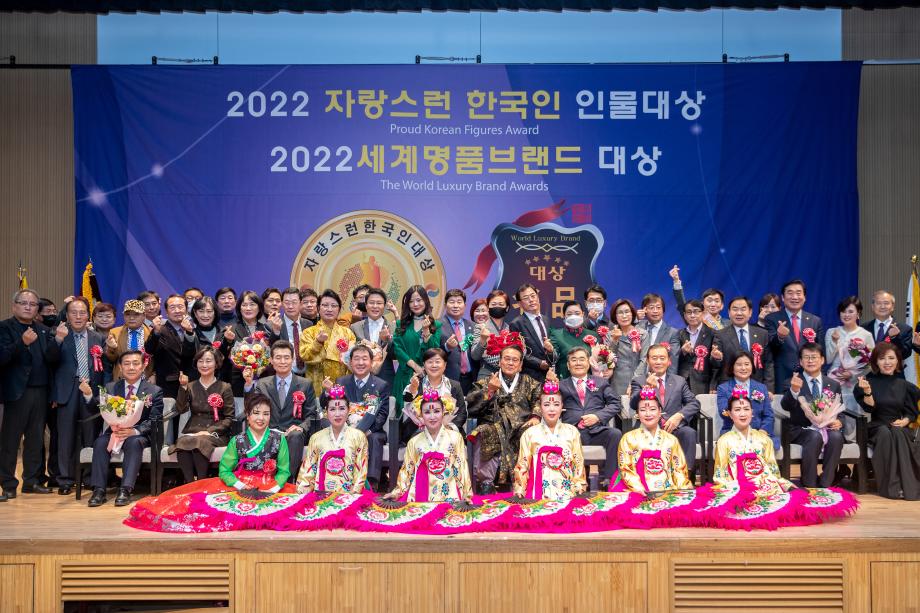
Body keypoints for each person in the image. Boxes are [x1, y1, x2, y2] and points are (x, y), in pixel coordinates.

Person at [124, 393, 297, 533]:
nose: (261, 418)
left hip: (269, 485)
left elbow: (284, 470)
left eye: (266, 414)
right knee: (207, 512)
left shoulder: (278, 438)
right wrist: (239, 485)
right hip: (241, 485)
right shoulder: (237, 440)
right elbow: (225, 470)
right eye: (256, 413)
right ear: (248, 415)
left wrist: (274, 488)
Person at [0, 290, 63, 500]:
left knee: (36, 440)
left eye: (33, 304)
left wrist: (58, 341)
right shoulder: (4, 327)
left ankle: (32, 481)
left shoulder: (43, 330)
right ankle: (8, 484)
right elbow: (2, 357)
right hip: (16, 393)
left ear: (37, 309)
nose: (28, 307)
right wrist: (22, 343)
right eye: (23, 303)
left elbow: (51, 362)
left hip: (42, 391)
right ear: (14, 306)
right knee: (10, 441)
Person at [87, 350, 164, 507]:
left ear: (143, 366)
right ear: (120, 367)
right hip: (115, 431)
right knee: (100, 442)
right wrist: (88, 395)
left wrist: (135, 431)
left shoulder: (154, 391)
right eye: (127, 364)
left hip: (139, 435)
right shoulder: (110, 388)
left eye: (135, 363)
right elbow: (97, 408)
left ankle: (125, 489)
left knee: (133, 442)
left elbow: (155, 419)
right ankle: (99, 490)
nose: (131, 367)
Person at [466, 341, 541, 494]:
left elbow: (539, 400)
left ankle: (524, 482)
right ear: (500, 362)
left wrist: (535, 416)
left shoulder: (530, 383)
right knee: (482, 431)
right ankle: (485, 484)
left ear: (521, 365)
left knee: (531, 431)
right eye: (507, 359)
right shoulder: (485, 382)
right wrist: (489, 391)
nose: (510, 363)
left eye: (515, 360)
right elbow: (472, 407)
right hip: (493, 426)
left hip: (520, 428)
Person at [49, 297, 107, 495]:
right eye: (74, 312)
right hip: (67, 389)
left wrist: (101, 392)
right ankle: (65, 480)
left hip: (90, 389)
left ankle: (90, 477)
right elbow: (49, 360)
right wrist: (58, 340)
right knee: (65, 436)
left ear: (88, 315)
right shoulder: (58, 333)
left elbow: (104, 368)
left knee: (91, 434)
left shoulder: (97, 337)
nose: (78, 316)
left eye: (82, 312)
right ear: (67, 315)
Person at [854, 342, 920, 500]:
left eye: (891, 358)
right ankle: (891, 488)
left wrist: (905, 421)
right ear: (876, 361)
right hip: (877, 426)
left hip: (897, 425)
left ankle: (907, 486)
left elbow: (911, 412)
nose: (887, 362)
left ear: (898, 361)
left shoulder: (905, 386)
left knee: (897, 433)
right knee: (885, 433)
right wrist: (868, 392)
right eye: (882, 358)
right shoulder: (868, 382)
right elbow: (870, 409)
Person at [383, 388, 472, 502]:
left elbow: (461, 468)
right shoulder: (414, 442)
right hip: (420, 494)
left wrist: (466, 495)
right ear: (421, 415)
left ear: (443, 412)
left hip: (449, 494)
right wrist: (397, 492)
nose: (432, 417)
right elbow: (407, 471)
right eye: (427, 412)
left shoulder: (455, 438)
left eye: (437, 411)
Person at [244, 340, 316, 481]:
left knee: (296, 436)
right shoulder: (262, 383)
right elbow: (252, 408)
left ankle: (288, 481)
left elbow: (312, 415)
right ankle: (262, 480)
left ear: (293, 359)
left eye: (286, 357)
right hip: (268, 431)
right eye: (278, 357)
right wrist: (248, 385)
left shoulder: (305, 384)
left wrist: (301, 427)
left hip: (293, 433)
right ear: (271, 360)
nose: (282, 361)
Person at [322, 344, 389, 490]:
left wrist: (367, 431)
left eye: (364, 359)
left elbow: (382, 414)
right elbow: (327, 406)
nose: (360, 363)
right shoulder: (341, 382)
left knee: (375, 438)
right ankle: (336, 480)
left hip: (371, 430)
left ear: (371, 362)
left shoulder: (381, 385)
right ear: (350, 362)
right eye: (356, 359)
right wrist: (327, 392)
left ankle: (371, 483)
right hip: (344, 429)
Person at [555, 346, 622, 489]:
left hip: (596, 431)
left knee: (615, 434)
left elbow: (616, 404)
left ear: (588, 363)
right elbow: (551, 405)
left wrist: (597, 416)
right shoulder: (560, 385)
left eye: (582, 359)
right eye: (574, 360)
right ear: (568, 365)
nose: (578, 363)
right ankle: (567, 481)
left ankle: (609, 480)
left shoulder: (600, 382)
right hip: (572, 433)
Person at [779, 342, 844, 488]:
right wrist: (794, 390)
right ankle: (809, 482)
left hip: (826, 428)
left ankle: (826, 482)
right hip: (800, 429)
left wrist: (839, 422)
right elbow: (785, 406)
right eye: (806, 357)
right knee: (814, 436)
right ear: (801, 362)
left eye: (814, 357)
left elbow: (840, 411)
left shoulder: (833, 384)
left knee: (836, 436)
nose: (810, 361)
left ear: (822, 360)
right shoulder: (792, 382)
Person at [629, 343, 701, 473]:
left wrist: (679, 416)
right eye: (654, 358)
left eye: (662, 358)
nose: (658, 362)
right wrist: (646, 388)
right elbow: (633, 404)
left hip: (674, 428)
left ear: (669, 361)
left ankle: (685, 474)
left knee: (689, 432)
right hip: (648, 428)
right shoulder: (639, 381)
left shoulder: (679, 381)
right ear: (647, 361)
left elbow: (694, 403)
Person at [512, 380, 587, 499]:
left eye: (556, 404)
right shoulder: (529, 433)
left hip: (568, 494)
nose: (552, 409)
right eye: (546, 405)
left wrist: (579, 486)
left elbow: (578, 462)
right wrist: (520, 489)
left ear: (562, 406)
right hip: (538, 494)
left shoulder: (572, 432)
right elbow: (523, 464)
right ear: (540, 407)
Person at [170, 346, 234, 484]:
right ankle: (189, 484)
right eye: (200, 361)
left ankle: (201, 482)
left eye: (208, 361)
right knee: (182, 442)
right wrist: (183, 387)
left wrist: (209, 431)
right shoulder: (191, 386)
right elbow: (181, 409)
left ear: (216, 364)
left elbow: (229, 418)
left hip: (216, 433)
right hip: (194, 430)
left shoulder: (225, 387)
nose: (204, 365)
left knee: (201, 441)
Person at [712, 392, 794, 496]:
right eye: (737, 410)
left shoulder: (764, 439)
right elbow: (720, 475)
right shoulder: (724, 441)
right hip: (738, 488)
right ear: (730, 414)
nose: (743, 414)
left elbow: (773, 471)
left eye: (746, 409)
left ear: (752, 412)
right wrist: (734, 488)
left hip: (766, 487)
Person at [613, 387, 691, 493]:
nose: (648, 414)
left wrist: (683, 489)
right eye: (642, 410)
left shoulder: (671, 440)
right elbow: (626, 468)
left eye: (653, 409)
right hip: (638, 491)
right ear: (637, 414)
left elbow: (679, 469)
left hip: (667, 491)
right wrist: (639, 489)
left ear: (660, 412)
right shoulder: (628, 439)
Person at [296, 384, 368, 494]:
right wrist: (303, 490)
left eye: (342, 408)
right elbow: (309, 469)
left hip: (348, 496)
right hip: (320, 495)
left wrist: (353, 494)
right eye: (332, 409)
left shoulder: (359, 437)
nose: (337, 414)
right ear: (326, 412)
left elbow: (360, 470)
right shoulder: (316, 438)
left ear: (349, 410)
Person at [764, 279, 824, 393]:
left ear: (805, 297)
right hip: (782, 378)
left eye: (798, 293)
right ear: (783, 297)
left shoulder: (815, 321)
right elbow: (769, 349)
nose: (795, 297)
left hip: (809, 378)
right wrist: (780, 336)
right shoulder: (772, 319)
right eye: (790, 293)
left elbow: (821, 352)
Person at [392, 285, 441, 414]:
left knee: (426, 413)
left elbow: (434, 351)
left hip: (427, 377)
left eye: (419, 300)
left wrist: (426, 331)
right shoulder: (400, 324)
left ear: (426, 301)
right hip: (404, 375)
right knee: (401, 415)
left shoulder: (436, 325)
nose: (415, 304)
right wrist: (415, 366)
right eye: (411, 301)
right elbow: (397, 348)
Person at [401, 348, 467, 442]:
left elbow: (462, 413)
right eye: (430, 362)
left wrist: (449, 428)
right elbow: (407, 398)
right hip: (419, 431)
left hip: (448, 433)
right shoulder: (416, 383)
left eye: (437, 362)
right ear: (424, 365)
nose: (434, 365)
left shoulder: (454, 386)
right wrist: (413, 388)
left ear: (445, 365)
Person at [299, 289, 357, 397]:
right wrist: (318, 342)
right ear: (318, 308)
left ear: (339, 309)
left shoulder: (348, 333)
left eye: (334, 306)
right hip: (316, 385)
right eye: (325, 305)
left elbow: (352, 363)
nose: (329, 309)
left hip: (341, 385)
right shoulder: (309, 332)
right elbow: (305, 356)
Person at [826, 296, 875, 420]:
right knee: (833, 420)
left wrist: (852, 375)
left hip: (855, 385)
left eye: (851, 311)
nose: (846, 315)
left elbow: (871, 364)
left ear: (858, 314)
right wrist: (834, 342)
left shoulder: (866, 335)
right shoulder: (831, 332)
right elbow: (828, 359)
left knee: (853, 421)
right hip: (834, 381)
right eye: (843, 311)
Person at [711, 296, 774, 391]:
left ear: (750, 312)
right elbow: (714, 366)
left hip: (757, 387)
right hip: (729, 388)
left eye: (743, 309)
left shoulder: (762, 334)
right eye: (735, 309)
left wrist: (769, 389)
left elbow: (768, 363)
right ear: (729, 313)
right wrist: (717, 358)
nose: (739, 313)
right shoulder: (720, 334)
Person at [715, 352, 776, 449]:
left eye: (747, 364)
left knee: (763, 445)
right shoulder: (723, 388)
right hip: (733, 432)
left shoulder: (761, 388)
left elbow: (769, 415)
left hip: (759, 432)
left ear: (752, 366)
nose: (743, 368)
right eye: (739, 365)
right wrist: (736, 398)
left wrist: (763, 431)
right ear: (732, 367)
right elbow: (723, 412)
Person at [220, 290, 274, 397]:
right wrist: (227, 341)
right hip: (238, 382)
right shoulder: (230, 329)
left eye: (252, 304)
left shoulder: (267, 329)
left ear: (259, 307)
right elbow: (221, 356)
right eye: (244, 305)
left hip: (263, 381)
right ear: (239, 308)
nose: (248, 308)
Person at [144, 294, 197, 400]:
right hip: (168, 386)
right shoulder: (160, 330)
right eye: (172, 307)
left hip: (192, 383)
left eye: (180, 307)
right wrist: (156, 332)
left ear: (186, 309)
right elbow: (149, 349)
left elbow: (191, 354)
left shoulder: (194, 329)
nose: (177, 310)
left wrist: (189, 332)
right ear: (167, 312)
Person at [349, 287, 396, 386]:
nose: (375, 306)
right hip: (361, 379)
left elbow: (395, 355)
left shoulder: (393, 327)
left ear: (384, 306)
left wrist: (387, 341)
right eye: (371, 303)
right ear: (366, 305)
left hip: (386, 379)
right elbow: (351, 355)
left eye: (379, 303)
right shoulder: (355, 327)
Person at [861, 290, 914, 375]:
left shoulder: (904, 329)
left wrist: (895, 338)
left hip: (894, 377)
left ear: (892, 307)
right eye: (878, 303)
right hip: (868, 377)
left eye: (886, 303)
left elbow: (905, 354)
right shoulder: (863, 328)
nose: (882, 306)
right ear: (873, 307)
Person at [508, 283, 553, 382]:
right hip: (530, 376)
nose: (531, 300)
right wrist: (539, 363)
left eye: (533, 296)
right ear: (520, 304)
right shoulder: (516, 324)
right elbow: (517, 352)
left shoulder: (546, 320)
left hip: (550, 374)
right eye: (526, 298)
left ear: (538, 297)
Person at [606, 298, 648, 396]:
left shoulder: (642, 333)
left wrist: (634, 381)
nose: (624, 316)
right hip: (617, 381)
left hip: (637, 379)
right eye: (620, 313)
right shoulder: (610, 335)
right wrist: (614, 340)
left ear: (632, 314)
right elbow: (608, 359)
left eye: (627, 312)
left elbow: (644, 359)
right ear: (615, 316)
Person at [675, 299, 717, 394]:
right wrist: (682, 352)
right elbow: (672, 359)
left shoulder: (713, 334)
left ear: (703, 313)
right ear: (685, 315)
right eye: (689, 312)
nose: (692, 315)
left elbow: (716, 365)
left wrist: (713, 385)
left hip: (704, 383)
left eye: (696, 311)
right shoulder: (679, 334)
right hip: (682, 382)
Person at [271, 287, 315, 378]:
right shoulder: (273, 324)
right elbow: (270, 350)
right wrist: (276, 332)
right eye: (287, 303)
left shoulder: (309, 324)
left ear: (301, 303)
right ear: (282, 304)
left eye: (294, 302)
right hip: (285, 375)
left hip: (308, 375)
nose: (290, 306)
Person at [548, 300, 598, 379]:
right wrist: (550, 351)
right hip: (565, 381)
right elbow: (552, 360)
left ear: (583, 314)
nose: (573, 316)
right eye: (569, 314)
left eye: (577, 313)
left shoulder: (593, 335)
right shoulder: (556, 335)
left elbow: (599, 360)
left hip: (590, 381)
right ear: (564, 316)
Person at [105, 299, 153, 382]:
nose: (131, 318)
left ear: (144, 315)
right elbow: (111, 360)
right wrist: (111, 348)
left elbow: (159, 359)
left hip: (146, 379)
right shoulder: (114, 333)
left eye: (136, 314)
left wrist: (154, 375)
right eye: (127, 314)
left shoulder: (152, 333)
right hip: (122, 380)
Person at [440, 289, 476, 394]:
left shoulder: (473, 326)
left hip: (471, 379)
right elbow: (431, 352)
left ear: (465, 305)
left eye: (459, 302)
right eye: (452, 302)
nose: (456, 306)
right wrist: (446, 348)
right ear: (445, 305)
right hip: (448, 378)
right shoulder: (437, 326)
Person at [469, 289, 511, 380]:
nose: (497, 307)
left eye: (501, 304)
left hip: (508, 376)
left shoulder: (510, 329)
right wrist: (483, 340)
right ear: (488, 307)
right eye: (493, 304)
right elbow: (475, 356)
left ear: (507, 308)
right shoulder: (481, 327)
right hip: (486, 375)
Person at [670, 265, 725, 330]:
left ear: (722, 306)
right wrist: (676, 281)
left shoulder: (730, 323)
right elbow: (682, 305)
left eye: (716, 301)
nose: (713, 304)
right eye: (709, 301)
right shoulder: (694, 319)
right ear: (702, 304)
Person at [637, 293, 679, 360]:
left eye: (658, 307)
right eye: (651, 308)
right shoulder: (637, 327)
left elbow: (673, 359)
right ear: (644, 310)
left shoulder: (672, 333)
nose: (655, 311)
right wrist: (636, 319)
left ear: (663, 310)